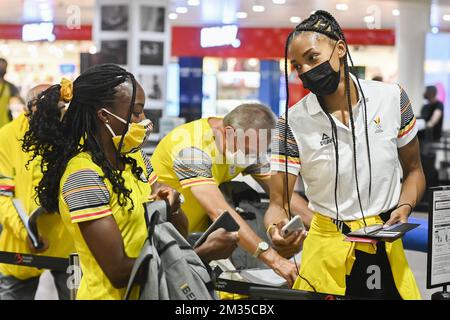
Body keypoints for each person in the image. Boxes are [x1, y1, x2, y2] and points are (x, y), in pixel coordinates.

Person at [22, 64, 237, 300]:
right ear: (103, 114)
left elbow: (178, 234)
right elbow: (119, 271)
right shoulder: (83, 177)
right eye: (136, 112)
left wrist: (173, 205)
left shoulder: (136, 159)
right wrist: (202, 254)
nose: (144, 120)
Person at [265, 10, 425, 299]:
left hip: (385, 246)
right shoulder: (291, 122)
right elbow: (278, 203)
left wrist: (405, 206)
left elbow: (414, 170)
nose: (305, 71)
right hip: (325, 250)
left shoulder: (392, 99)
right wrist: (275, 231)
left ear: (340, 49)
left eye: (312, 58)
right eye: (297, 66)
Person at [151, 103, 313, 286]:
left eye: (259, 151)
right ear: (227, 131)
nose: (253, 156)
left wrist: (325, 228)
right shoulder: (190, 148)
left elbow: (283, 195)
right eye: (249, 151)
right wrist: (275, 260)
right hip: (161, 239)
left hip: (196, 237)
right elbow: (218, 210)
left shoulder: (246, 142)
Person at [0, 84, 74, 300]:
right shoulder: (7, 136)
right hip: (22, 243)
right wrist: (28, 233)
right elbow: (3, 195)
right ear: (27, 109)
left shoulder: (71, 131)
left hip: (68, 242)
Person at [0, 58, 23, 128]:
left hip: (5, 123)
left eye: (4, 67)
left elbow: (21, 101)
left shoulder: (10, 86)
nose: (2, 69)